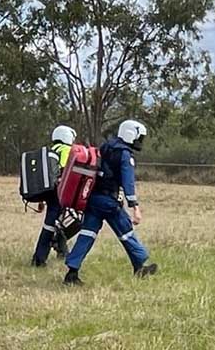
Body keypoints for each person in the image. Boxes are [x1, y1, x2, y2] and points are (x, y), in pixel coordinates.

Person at [63, 119, 158, 285]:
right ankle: (140, 265)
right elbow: (128, 182)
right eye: (138, 138)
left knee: (87, 234)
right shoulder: (124, 154)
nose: (139, 142)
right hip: (108, 201)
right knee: (126, 232)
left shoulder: (106, 146)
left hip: (93, 199)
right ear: (131, 135)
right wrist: (134, 206)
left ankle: (72, 272)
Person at [31, 125, 77, 266]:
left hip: (49, 193)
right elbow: (64, 171)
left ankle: (62, 251)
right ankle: (39, 258)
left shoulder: (50, 151)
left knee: (53, 224)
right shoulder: (65, 150)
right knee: (71, 221)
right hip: (59, 193)